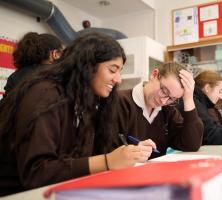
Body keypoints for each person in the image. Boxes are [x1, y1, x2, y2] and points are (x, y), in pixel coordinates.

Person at [0, 33, 154, 196]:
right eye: (112, 70)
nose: (118, 79)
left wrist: (129, 154)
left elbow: (86, 156)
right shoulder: (45, 94)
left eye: (119, 72)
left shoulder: (85, 101)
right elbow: (36, 172)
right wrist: (108, 161)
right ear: (87, 66)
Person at [116, 62, 203, 159]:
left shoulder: (168, 110)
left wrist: (188, 98)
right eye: (164, 91)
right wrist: (132, 152)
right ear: (154, 75)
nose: (164, 100)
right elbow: (105, 152)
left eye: (172, 99)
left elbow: (192, 144)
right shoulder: (119, 102)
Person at [3, 32, 64, 98]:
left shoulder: (15, 75)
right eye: (61, 53)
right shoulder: (58, 76)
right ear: (55, 54)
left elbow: (4, 104)